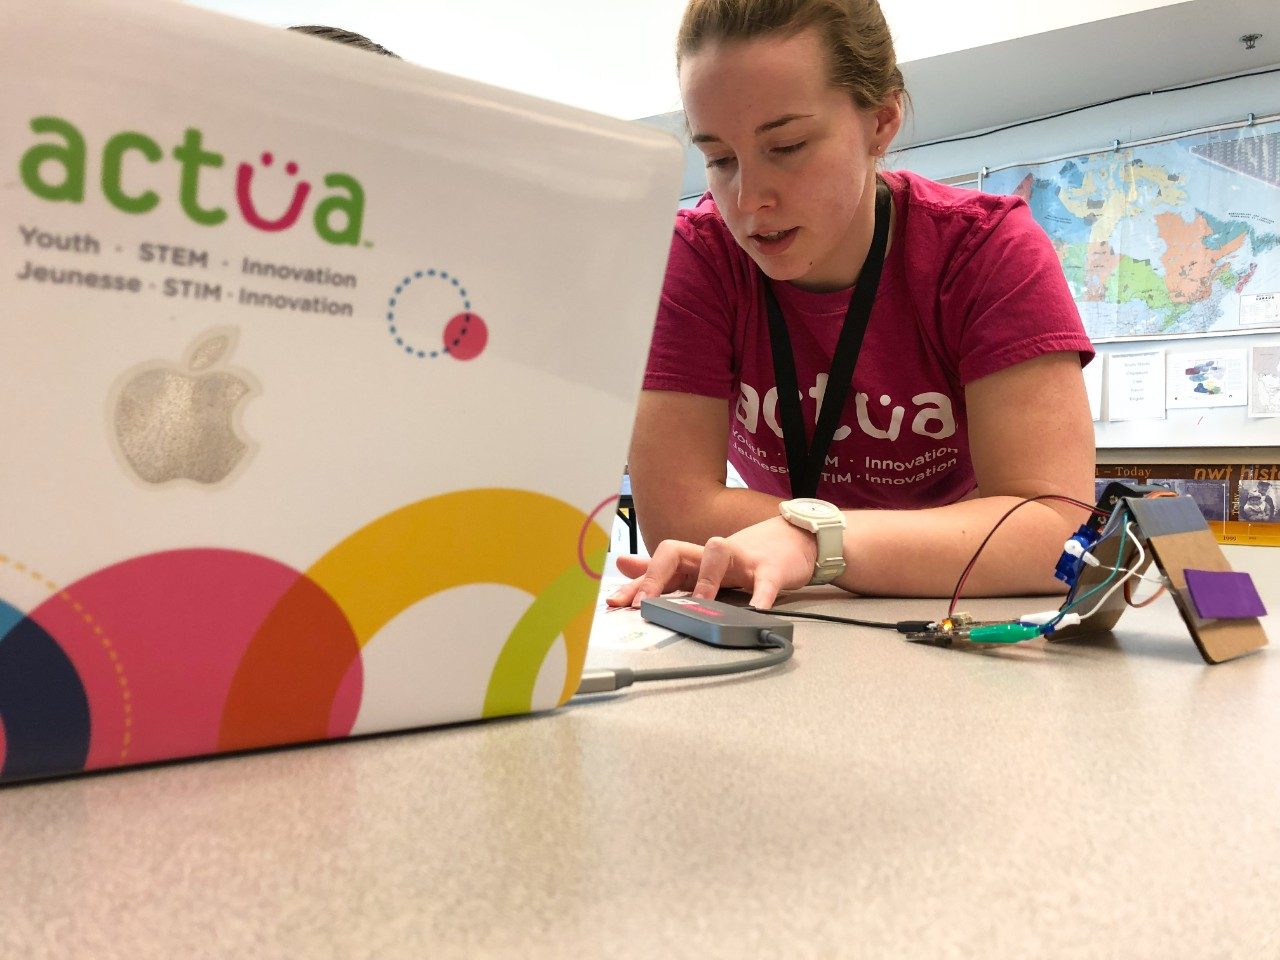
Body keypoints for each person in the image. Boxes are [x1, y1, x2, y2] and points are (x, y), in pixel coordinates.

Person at [608, 0, 1096, 611]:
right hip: (802, 610)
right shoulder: (698, 258)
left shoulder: (988, 252)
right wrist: (936, 537)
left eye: (786, 145)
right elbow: (677, 515)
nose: (749, 199)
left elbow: (1056, 531)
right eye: (719, 159)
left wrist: (815, 542)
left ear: (882, 119)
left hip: (959, 607)